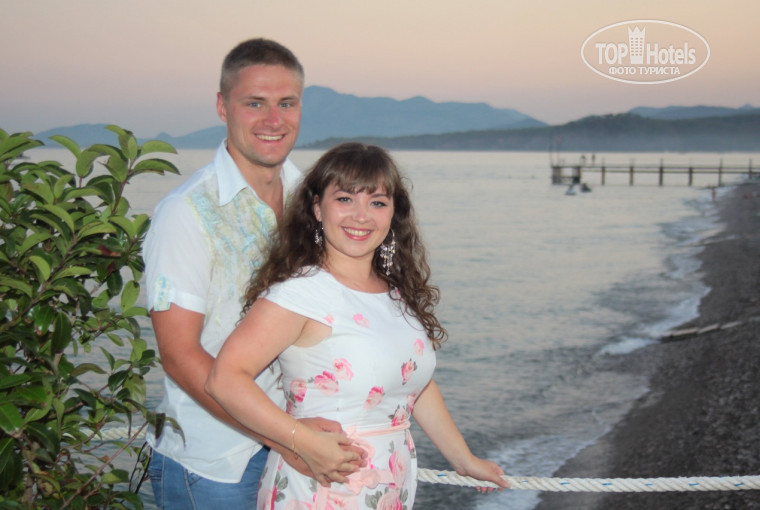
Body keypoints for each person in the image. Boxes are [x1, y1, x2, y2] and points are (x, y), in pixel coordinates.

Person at [206, 142, 509, 509]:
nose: (361, 216)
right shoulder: (301, 294)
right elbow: (225, 378)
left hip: (388, 486)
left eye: (377, 203)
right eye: (345, 199)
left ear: (393, 213)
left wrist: (463, 460)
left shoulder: (394, 294)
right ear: (317, 208)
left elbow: (414, 384)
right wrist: (301, 439)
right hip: (322, 487)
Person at [143, 39, 363, 508]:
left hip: (299, 451)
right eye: (254, 103)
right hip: (215, 466)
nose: (273, 120)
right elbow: (179, 356)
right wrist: (288, 437)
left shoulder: (313, 202)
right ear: (222, 106)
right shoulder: (186, 213)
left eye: (286, 103)